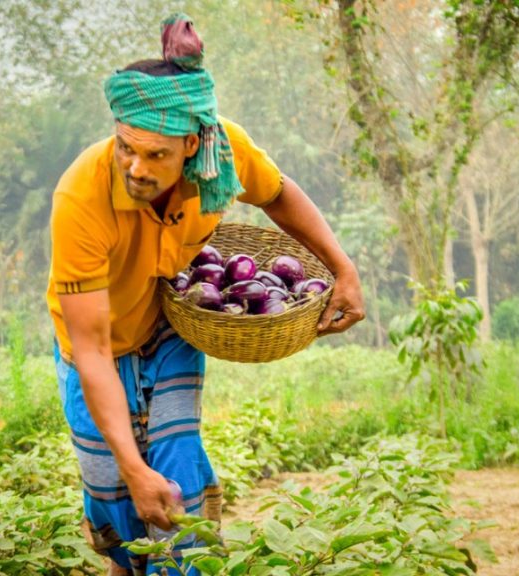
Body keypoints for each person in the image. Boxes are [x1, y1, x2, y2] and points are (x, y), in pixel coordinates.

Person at [46, 13, 364, 575]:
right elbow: (92, 350)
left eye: (156, 155)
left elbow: (279, 195)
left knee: (177, 466)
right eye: (126, 148)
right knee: (112, 486)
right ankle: (126, 565)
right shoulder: (82, 197)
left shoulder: (224, 151)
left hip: (169, 327)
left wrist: (343, 268)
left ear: (193, 144)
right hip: (94, 347)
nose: (136, 168)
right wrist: (131, 470)